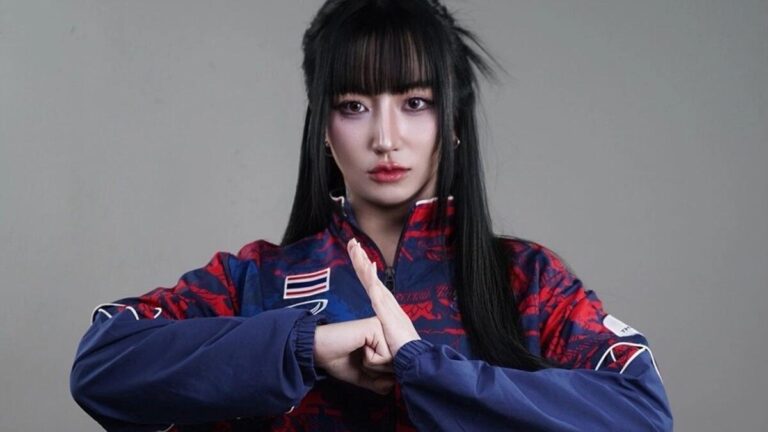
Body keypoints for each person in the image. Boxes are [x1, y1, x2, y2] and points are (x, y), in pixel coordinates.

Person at [70, 0, 673, 430]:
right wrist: (303, 347)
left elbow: (641, 413)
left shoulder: (526, 281)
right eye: (354, 105)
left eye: (415, 102)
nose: (386, 138)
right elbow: (102, 366)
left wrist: (425, 369)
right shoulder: (257, 280)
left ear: (453, 123)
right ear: (323, 129)